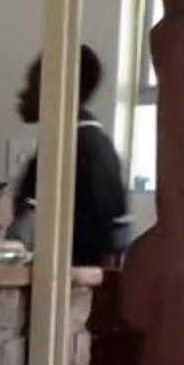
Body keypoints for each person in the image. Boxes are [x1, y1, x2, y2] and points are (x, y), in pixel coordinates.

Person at [14, 47, 134, 268]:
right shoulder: (97, 142)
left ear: (57, 90)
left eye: (33, 85)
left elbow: (22, 235)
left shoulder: (67, 147)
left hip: (72, 280)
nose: (22, 94)